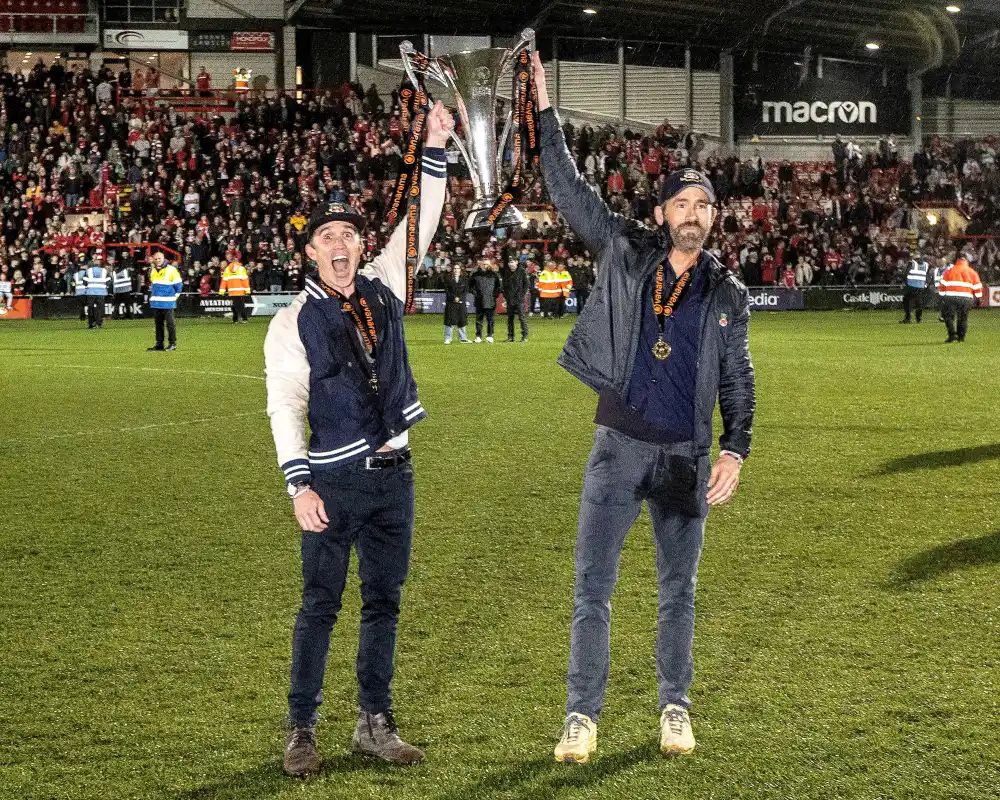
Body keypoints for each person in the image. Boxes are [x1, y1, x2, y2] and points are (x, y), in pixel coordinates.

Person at [532, 52, 756, 764]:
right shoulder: (625, 252)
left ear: (714, 218)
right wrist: (542, 107)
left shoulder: (728, 294)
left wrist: (735, 446)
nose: (692, 215)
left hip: (686, 457)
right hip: (618, 446)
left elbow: (737, 378)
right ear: (660, 213)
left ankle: (675, 708)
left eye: (704, 206)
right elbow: (567, 190)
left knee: (677, 594)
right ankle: (581, 717)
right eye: (681, 204)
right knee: (592, 591)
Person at [264, 101, 452, 778]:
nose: (340, 244)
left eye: (348, 232)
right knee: (320, 605)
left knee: (384, 602)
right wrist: (298, 484)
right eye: (328, 236)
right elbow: (284, 405)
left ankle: (374, 721)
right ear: (311, 251)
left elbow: (420, 225)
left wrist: (434, 150)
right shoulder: (290, 322)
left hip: (394, 475)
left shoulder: (384, 283)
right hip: (332, 482)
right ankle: (302, 728)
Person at [938, 251, 984, 343]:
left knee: (949, 317)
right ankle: (961, 337)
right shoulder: (972, 272)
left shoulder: (950, 270)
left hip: (951, 297)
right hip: (966, 298)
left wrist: (942, 295)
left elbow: (942, 284)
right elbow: (978, 287)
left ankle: (952, 335)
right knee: (963, 318)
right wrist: (978, 298)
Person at [148, 251, 183, 351]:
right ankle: (159, 344)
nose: (158, 260)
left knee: (170, 324)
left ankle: (172, 344)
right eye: (156, 259)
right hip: (156, 303)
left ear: (163, 259)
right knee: (158, 325)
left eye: (159, 258)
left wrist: (174, 298)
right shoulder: (153, 270)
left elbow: (179, 286)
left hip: (168, 303)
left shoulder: (171, 270)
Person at [501, 254, 529, 343]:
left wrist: (522, 294)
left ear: (516, 262)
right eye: (509, 262)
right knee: (510, 318)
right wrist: (506, 297)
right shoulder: (507, 272)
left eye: (512, 262)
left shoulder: (522, 271)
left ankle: (524, 336)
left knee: (522, 317)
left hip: (519, 299)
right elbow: (504, 286)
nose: (510, 264)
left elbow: (527, 284)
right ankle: (510, 337)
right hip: (510, 299)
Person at [471, 259, 500, 343]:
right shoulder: (475, 275)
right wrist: (476, 294)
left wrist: (494, 296)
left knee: (490, 320)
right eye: (483, 264)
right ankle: (478, 336)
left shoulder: (494, 275)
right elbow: (470, 286)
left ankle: (490, 336)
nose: (485, 266)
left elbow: (498, 287)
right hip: (479, 301)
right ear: (480, 265)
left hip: (490, 301)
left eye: (487, 264)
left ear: (490, 265)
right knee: (479, 320)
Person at [220, 252, 252, 324]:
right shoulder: (241, 269)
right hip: (241, 291)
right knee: (239, 305)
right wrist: (248, 290)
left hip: (232, 291)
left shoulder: (227, 269)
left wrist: (221, 291)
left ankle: (237, 319)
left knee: (236, 305)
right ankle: (243, 319)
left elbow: (224, 281)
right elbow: (245, 280)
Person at [443, 264, 471, 344]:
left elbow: (465, 291)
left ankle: (463, 338)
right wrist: (454, 297)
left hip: (461, 303)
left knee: (462, 319)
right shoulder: (448, 279)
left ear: (460, 270)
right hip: (451, 303)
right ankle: (448, 338)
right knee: (449, 320)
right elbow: (447, 291)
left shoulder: (465, 279)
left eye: (457, 268)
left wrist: (460, 298)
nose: (456, 270)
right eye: (454, 268)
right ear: (452, 270)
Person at [901, 252, 931, 324]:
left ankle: (908, 318)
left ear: (914, 256)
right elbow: (928, 276)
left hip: (911, 285)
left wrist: (905, 282)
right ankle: (919, 318)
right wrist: (926, 284)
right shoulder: (926, 264)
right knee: (919, 303)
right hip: (921, 286)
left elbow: (905, 274)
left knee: (907, 301)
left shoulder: (911, 263)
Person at [83, 252, 109, 329]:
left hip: (91, 292)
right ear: (100, 263)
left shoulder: (88, 271)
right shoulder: (104, 271)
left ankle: (91, 323)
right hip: (101, 292)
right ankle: (99, 324)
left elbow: (84, 281)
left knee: (90, 308)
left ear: (93, 263)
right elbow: (109, 280)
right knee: (100, 308)